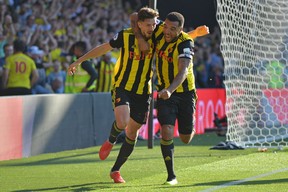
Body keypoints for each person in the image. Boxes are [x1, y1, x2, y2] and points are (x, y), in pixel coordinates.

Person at [67, 7, 160, 183]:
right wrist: (80, 60)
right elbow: (104, 48)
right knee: (123, 122)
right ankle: (111, 140)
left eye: (153, 24)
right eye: (148, 25)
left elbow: (176, 34)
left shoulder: (158, 35)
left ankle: (115, 170)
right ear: (139, 25)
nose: (151, 28)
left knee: (132, 133)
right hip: (123, 86)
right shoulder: (125, 36)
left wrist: (194, 34)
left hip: (143, 90)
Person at [154, 12, 200, 185]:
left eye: (173, 29)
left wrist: (170, 90)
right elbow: (136, 16)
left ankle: (191, 120)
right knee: (166, 130)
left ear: (180, 30)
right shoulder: (159, 28)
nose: (167, 31)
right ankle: (171, 176)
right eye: (166, 26)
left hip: (185, 92)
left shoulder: (186, 43)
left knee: (185, 138)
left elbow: (182, 72)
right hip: (165, 91)